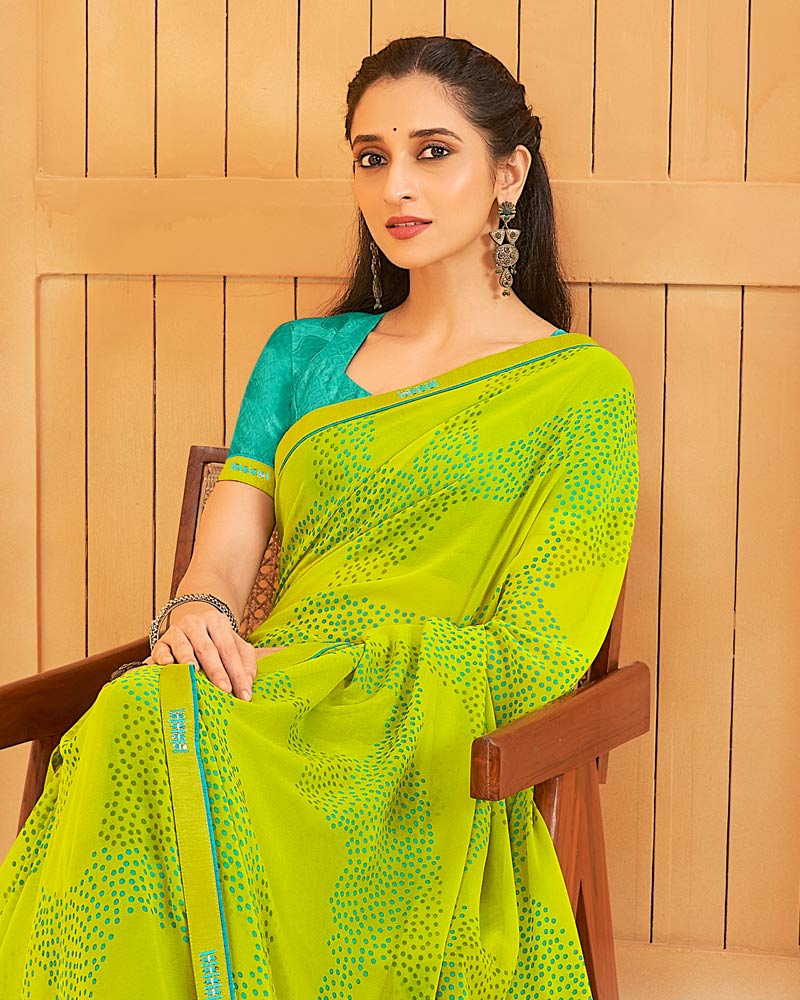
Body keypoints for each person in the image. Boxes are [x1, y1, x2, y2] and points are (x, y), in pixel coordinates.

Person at [0, 34, 639, 999]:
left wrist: (371, 671)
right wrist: (198, 610)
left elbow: (542, 645)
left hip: (420, 733)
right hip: (273, 688)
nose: (396, 187)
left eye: (433, 152)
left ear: (508, 175)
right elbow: (225, 554)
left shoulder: (581, 390)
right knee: (137, 714)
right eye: (371, 158)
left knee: (156, 734)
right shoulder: (300, 358)